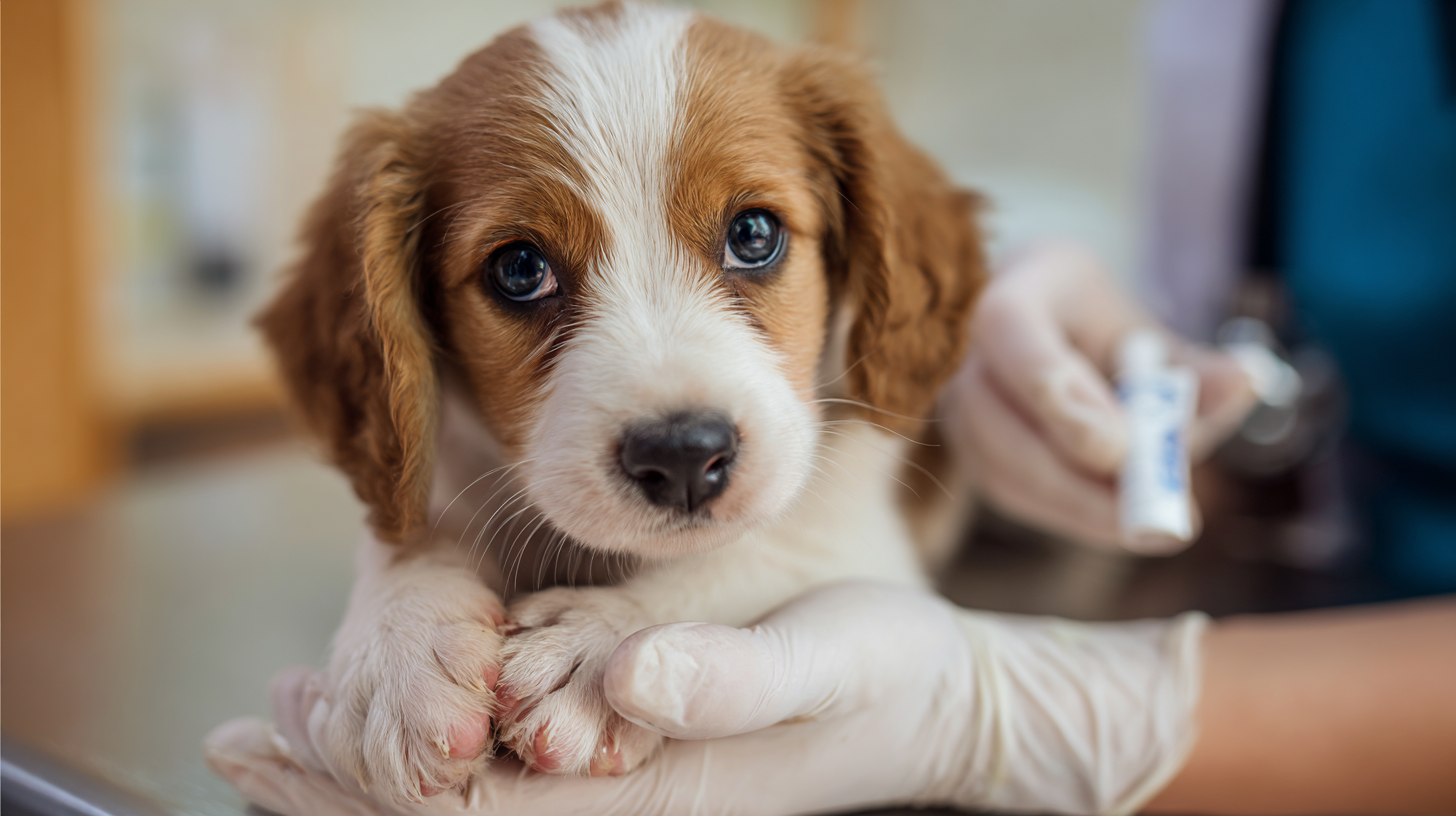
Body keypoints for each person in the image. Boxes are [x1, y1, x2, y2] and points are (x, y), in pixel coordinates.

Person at [207, 248, 1456, 816]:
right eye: (523, 273)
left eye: (749, 238)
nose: (672, 400)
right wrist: (408, 565)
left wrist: (1004, 712)